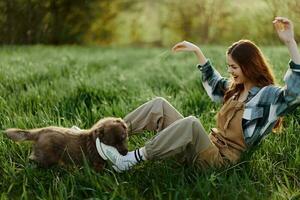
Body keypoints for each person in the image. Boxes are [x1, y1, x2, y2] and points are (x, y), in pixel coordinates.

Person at [95, 17, 300, 173]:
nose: (230, 71)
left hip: (220, 161)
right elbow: (214, 81)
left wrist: (290, 42)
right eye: (229, 66)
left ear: (249, 66)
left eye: (234, 67)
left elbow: (294, 93)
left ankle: (130, 160)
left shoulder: (268, 97)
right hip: (207, 146)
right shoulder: (235, 89)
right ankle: (108, 139)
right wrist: (197, 51)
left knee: (192, 123)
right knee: (159, 105)